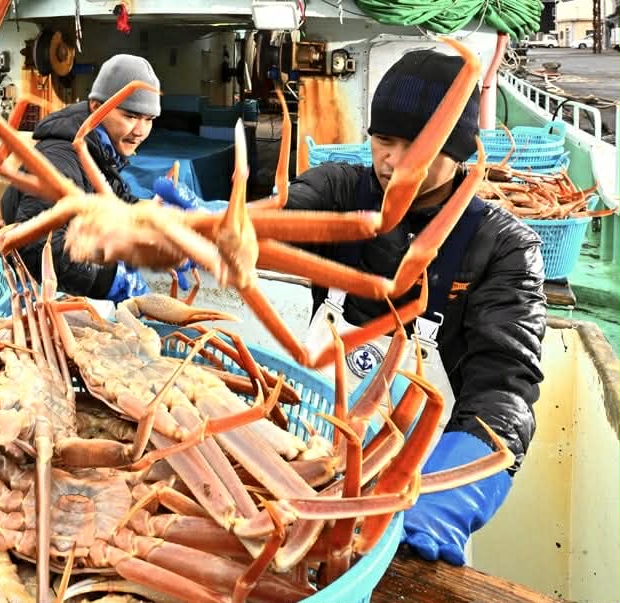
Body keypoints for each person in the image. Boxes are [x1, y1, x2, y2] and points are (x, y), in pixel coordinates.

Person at [156, 48, 548, 566]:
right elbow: (287, 215)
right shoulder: (342, 188)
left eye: (416, 147)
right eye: (384, 140)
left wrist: (455, 493)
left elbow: (505, 385)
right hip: (318, 456)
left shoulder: (503, 246)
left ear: (459, 152)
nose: (392, 160)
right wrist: (223, 227)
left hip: (422, 477)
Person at [0, 54, 162, 302]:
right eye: (130, 116)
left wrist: (168, 217)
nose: (140, 131)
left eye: (148, 120)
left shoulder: (99, 149)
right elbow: (34, 245)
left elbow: (116, 202)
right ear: (97, 107)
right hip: (24, 289)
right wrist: (108, 279)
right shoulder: (59, 159)